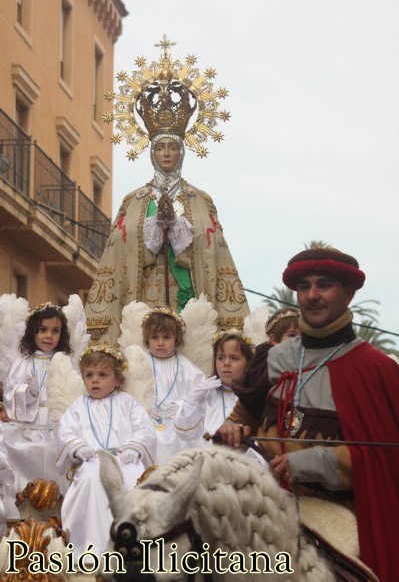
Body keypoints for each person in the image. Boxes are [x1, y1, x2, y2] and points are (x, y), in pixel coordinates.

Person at [216, 247, 399, 581]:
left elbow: (382, 460)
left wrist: (308, 464)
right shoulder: (273, 358)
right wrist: (233, 429)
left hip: (342, 510)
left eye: (324, 285)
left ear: (348, 294)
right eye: (304, 287)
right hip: (271, 502)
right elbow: (244, 415)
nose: (312, 296)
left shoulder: (377, 370)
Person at [85, 37, 249, 346]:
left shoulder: (200, 201)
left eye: (173, 146)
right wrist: (152, 232)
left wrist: (177, 232)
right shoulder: (133, 201)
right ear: (150, 152)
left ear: (183, 151)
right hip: (143, 305)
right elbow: (119, 250)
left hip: (189, 306)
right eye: (160, 146)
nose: (166, 153)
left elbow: (214, 252)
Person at [56, 345, 156, 560]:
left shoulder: (127, 403)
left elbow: (144, 429)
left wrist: (133, 446)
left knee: (131, 481)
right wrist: (77, 446)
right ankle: (91, 547)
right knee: (91, 479)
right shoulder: (78, 406)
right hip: (92, 460)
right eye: (89, 375)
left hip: (125, 460)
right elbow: (65, 430)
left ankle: (131, 548)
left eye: (102, 375)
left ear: (117, 380)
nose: (94, 380)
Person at [2, 302, 72, 516]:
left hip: (55, 425)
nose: (48, 336)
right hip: (27, 426)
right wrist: (27, 392)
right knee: (15, 448)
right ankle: (17, 515)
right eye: (43, 330)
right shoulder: (23, 362)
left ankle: (60, 514)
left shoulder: (65, 362)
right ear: (33, 332)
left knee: (56, 452)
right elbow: (10, 393)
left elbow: (73, 393)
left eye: (55, 331)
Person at [142, 307, 215, 464]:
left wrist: (182, 405)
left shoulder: (186, 367)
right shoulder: (140, 363)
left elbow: (201, 396)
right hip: (147, 421)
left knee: (177, 440)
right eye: (155, 337)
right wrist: (144, 408)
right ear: (147, 340)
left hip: (178, 423)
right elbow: (129, 394)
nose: (160, 343)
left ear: (177, 339)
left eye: (166, 337)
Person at [173, 329, 254, 444]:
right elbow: (185, 433)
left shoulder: (254, 396)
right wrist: (191, 402)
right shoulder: (206, 394)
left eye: (234, 358)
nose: (226, 363)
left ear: (248, 363)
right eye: (221, 358)